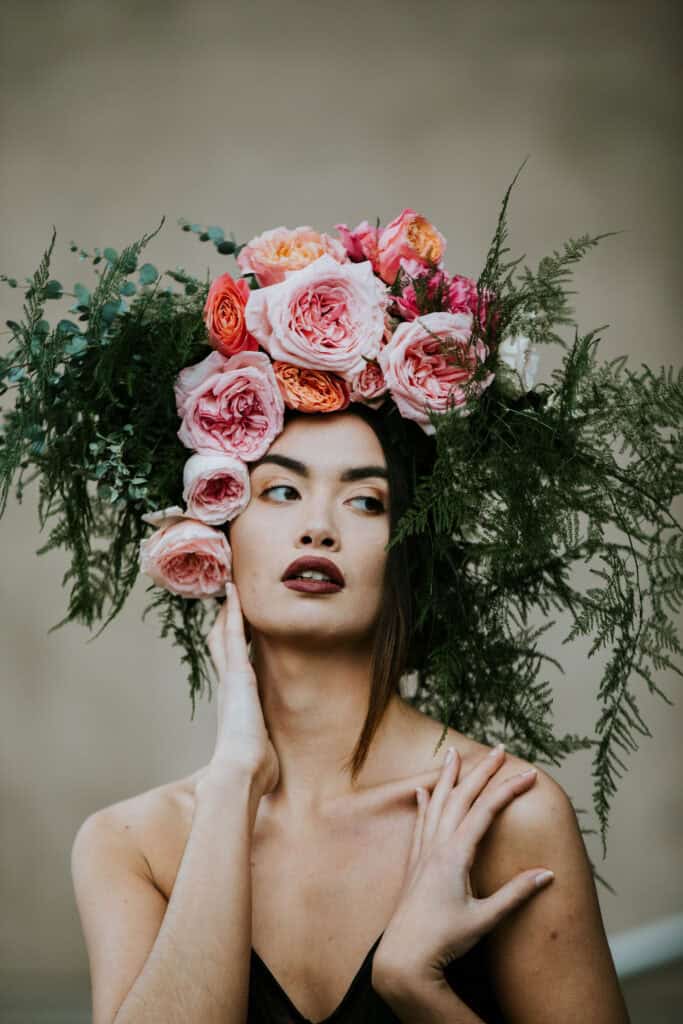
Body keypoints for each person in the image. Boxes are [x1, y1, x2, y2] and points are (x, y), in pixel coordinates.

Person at [70, 405, 630, 1024]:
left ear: (406, 553)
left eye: (366, 501)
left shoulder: (504, 814)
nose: (318, 528)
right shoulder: (131, 846)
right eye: (281, 490)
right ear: (216, 538)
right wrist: (234, 778)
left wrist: (419, 989)